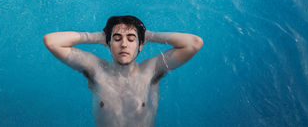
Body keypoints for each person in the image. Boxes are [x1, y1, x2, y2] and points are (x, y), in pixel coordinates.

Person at [43, 15, 203, 127]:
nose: (124, 44)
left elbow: (194, 43)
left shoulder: (152, 69)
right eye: (117, 38)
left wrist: (148, 35)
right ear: (109, 44)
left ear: (140, 45)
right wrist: (98, 37)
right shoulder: (95, 69)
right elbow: (51, 41)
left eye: (131, 39)